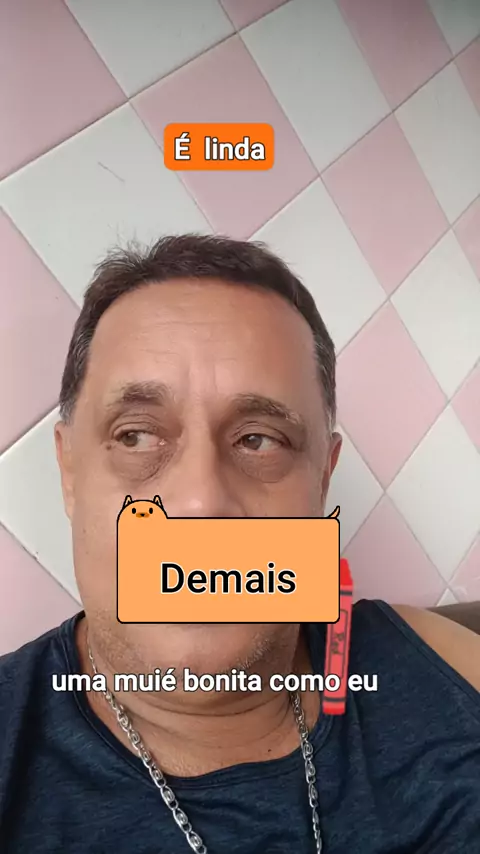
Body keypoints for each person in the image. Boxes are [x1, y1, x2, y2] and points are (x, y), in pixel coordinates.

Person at [0, 234, 478, 854]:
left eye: (259, 440)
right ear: (70, 473)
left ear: (322, 479)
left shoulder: (443, 659)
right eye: (137, 436)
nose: (201, 503)